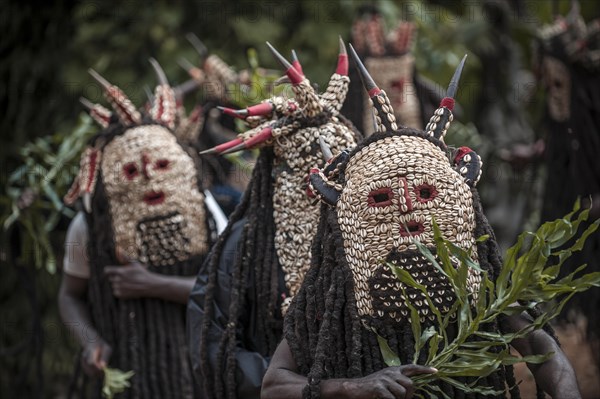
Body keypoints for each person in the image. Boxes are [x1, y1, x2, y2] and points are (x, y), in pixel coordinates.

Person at [261, 46, 581, 399]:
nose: (410, 217)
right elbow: (274, 385)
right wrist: (355, 387)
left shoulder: (479, 285)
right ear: (347, 215)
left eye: (425, 194)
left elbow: (550, 357)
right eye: (382, 199)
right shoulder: (335, 294)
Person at [187, 39, 360, 399]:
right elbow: (215, 348)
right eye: (307, 169)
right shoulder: (245, 245)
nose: (322, 181)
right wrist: (294, 384)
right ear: (279, 173)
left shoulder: (368, 238)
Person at [58, 61, 224, 398]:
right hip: (127, 373)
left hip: (201, 375)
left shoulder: (205, 213)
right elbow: (69, 295)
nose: (150, 178)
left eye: (161, 165)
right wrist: (89, 340)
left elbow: (227, 290)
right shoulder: (89, 227)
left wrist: (154, 285)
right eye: (133, 171)